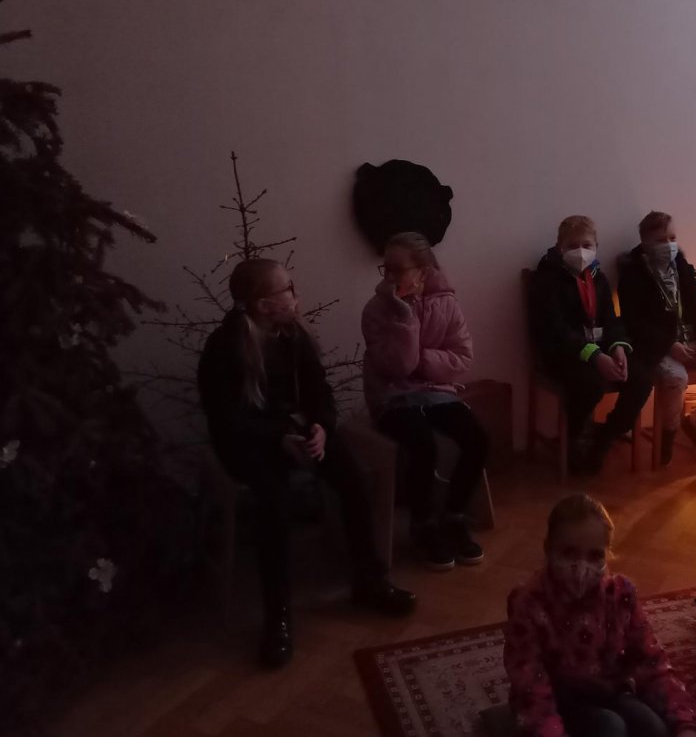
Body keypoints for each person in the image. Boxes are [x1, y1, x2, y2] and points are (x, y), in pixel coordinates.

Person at [198, 258, 416, 669]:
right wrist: (278, 437)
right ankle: (277, 616)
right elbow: (226, 418)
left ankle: (369, 581)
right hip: (249, 443)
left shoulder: (294, 335)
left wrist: (321, 427)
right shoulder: (225, 347)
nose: (295, 295)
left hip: (297, 431)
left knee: (352, 479)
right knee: (273, 503)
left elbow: (320, 393)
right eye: (288, 289)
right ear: (264, 305)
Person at [504, 494, 696, 737]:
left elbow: (652, 664)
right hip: (560, 702)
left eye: (594, 556)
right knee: (610, 729)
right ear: (548, 549)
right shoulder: (529, 604)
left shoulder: (619, 595)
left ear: (607, 555)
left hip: (609, 692)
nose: (581, 567)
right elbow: (533, 697)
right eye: (569, 552)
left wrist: (688, 729)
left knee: (649, 725)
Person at [361, 232, 489, 571]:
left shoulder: (447, 304)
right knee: (422, 444)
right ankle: (423, 525)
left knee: (477, 439)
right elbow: (396, 367)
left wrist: (423, 359)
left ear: (424, 270)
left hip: (436, 391)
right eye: (385, 268)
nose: (390, 277)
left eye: (398, 269)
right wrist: (404, 315)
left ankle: (454, 515)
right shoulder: (377, 310)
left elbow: (462, 358)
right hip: (391, 397)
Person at [529, 215, 654, 475]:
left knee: (641, 379)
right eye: (572, 246)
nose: (580, 251)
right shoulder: (547, 278)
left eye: (586, 245)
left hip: (600, 349)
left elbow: (610, 319)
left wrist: (618, 347)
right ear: (560, 247)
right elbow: (556, 329)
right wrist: (595, 356)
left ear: (596, 246)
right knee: (590, 385)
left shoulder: (599, 277)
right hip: (563, 354)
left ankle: (605, 437)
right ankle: (575, 438)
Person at [617, 211, 696, 467]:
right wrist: (668, 345)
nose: (668, 245)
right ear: (645, 242)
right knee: (677, 378)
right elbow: (634, 322)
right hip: (657, 346)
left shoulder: (682, 266)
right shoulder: (632, 272)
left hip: (693, 340)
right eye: (660, 240)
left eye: (672, 238)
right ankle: (669, 432)